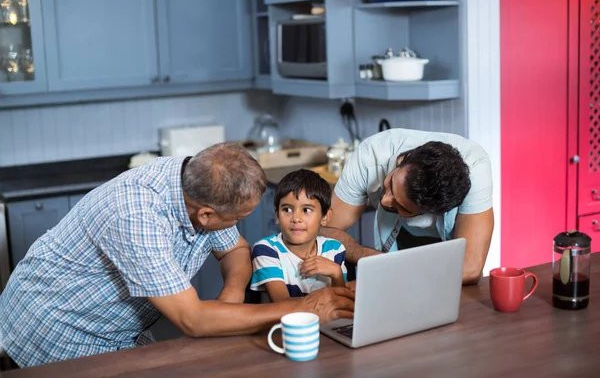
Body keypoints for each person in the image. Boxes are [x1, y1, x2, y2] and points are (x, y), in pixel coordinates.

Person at [0, 144, 354, 368]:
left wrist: (230, 298)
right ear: (206, 216)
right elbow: (192, 320)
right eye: (237, 220)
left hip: (122, 331)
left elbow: (235, 250)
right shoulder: (137, 215)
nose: (240, 227)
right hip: (57, 330)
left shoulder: (199, 179)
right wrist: (305, 307)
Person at [320, 128, 494, 285]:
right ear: (404, 159)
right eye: (391, 184)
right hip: (399, 242)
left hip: (443, 248)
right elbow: (322, 230)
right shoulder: (370, 156)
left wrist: (401, 270)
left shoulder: (475, 170)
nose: (385, 201)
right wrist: (366, 256)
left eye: (401, 205)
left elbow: (470, 269)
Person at [251, 169, 347, 302]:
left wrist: (337, 274)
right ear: (277, 214)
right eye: (287, 209)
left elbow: (341, 302)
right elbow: (283, 304)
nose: (296, 218)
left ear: (325, 216)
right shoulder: (267, 250)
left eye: (306, 210)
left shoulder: (335, 249)